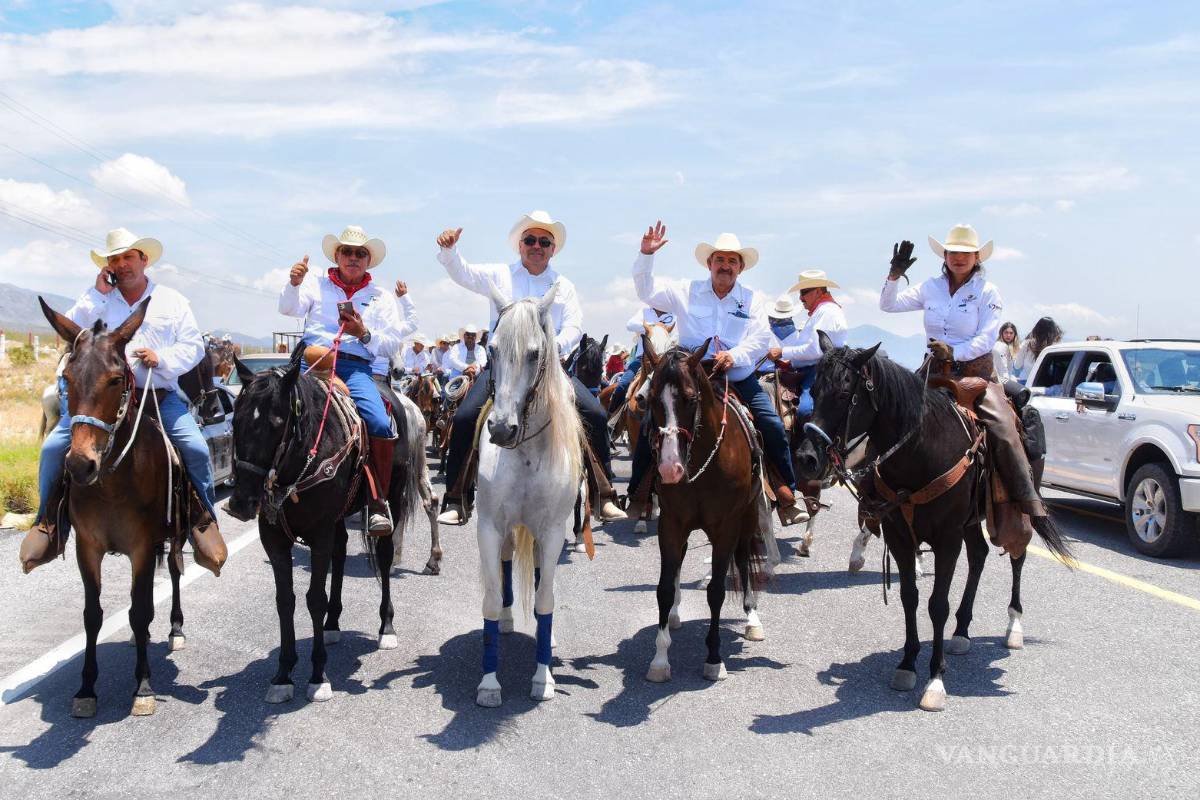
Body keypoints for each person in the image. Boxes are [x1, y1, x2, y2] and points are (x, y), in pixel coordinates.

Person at [20, 228, 227, 575]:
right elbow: (70, 335)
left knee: (195, 448)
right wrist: (96, 293)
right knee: (53, 448)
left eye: (128, 257)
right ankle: (48, 524)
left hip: (156, 398)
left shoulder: (172, 301)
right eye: (115, 259)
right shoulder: (100, 300)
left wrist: (161, 358)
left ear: (143, 260)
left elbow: (193, 347)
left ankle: (203, 522)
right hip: (99, 402)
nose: (122, 264)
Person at [434, 210, 625, 524]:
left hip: (549, 370)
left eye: (544, 242)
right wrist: (449, 250)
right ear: (520, 245)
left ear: (552, 249)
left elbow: (574, 328)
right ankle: (456, 498)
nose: (537, 246)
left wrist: (552, 350)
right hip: (502, 370)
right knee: (467, 416)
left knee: (596, 414)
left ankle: (603, 495)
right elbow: (463, 274)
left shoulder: (564, 286)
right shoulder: (500, 275)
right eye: (530, 240)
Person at [628, 221, 805, 525]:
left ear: (740, 268)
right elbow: (646, 291)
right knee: (648, 420)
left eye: (732, 261)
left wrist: (734, 355)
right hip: (688, 374)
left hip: (735, 375)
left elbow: (761, 337)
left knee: (772, 424)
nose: (725, 266)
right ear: (709, 264)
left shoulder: (753, 299)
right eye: (720, 260)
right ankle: (639, 491)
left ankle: (787, 491)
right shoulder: (686, 290)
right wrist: (646, 255)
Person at [880, 223, 1050, 529]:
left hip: (976, 375)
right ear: (944, 255)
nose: (959, 258)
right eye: (953, 252)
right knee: (888, 417)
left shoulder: (987, 292)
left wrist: (954, 353)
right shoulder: (929, 287)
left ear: (976, 258)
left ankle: (1025, 501)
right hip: (932, 371)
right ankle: (878, 494)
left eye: (966, 253)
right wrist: (894, 276)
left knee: (1004, 428)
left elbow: (986, 338)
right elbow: (888, 305)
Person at [279, 224, 404, 533]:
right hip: (313, 362)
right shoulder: (314, 284)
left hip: (355, 367)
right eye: (346, 251)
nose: (352, 257)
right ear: (336, 255)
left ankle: (377, 501)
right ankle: (262, 488)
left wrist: (363, 333)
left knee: (377, 422)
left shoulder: (381, 297)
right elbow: (287, 308)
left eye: (360, 253)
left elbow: (393, 344)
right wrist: (294, 284)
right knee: (273, 409)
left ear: (368, 260)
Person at [767, 270, 848, 416]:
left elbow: (816, 350)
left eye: (804, 292)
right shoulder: (821, 311)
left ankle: (810, 439)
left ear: (817, 291)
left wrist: (782, 352)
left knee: (806, 411)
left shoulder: (827, 312)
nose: (801, 298)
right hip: (809, 369)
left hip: (820, 372)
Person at [608, 307, 676, 411]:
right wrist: (653, 326)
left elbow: (676, 335)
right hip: (641, 359)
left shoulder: (674, 314)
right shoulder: (645, 311)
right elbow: (630, 325)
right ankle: (612, 419)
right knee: (622, 385)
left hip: (665, 361)